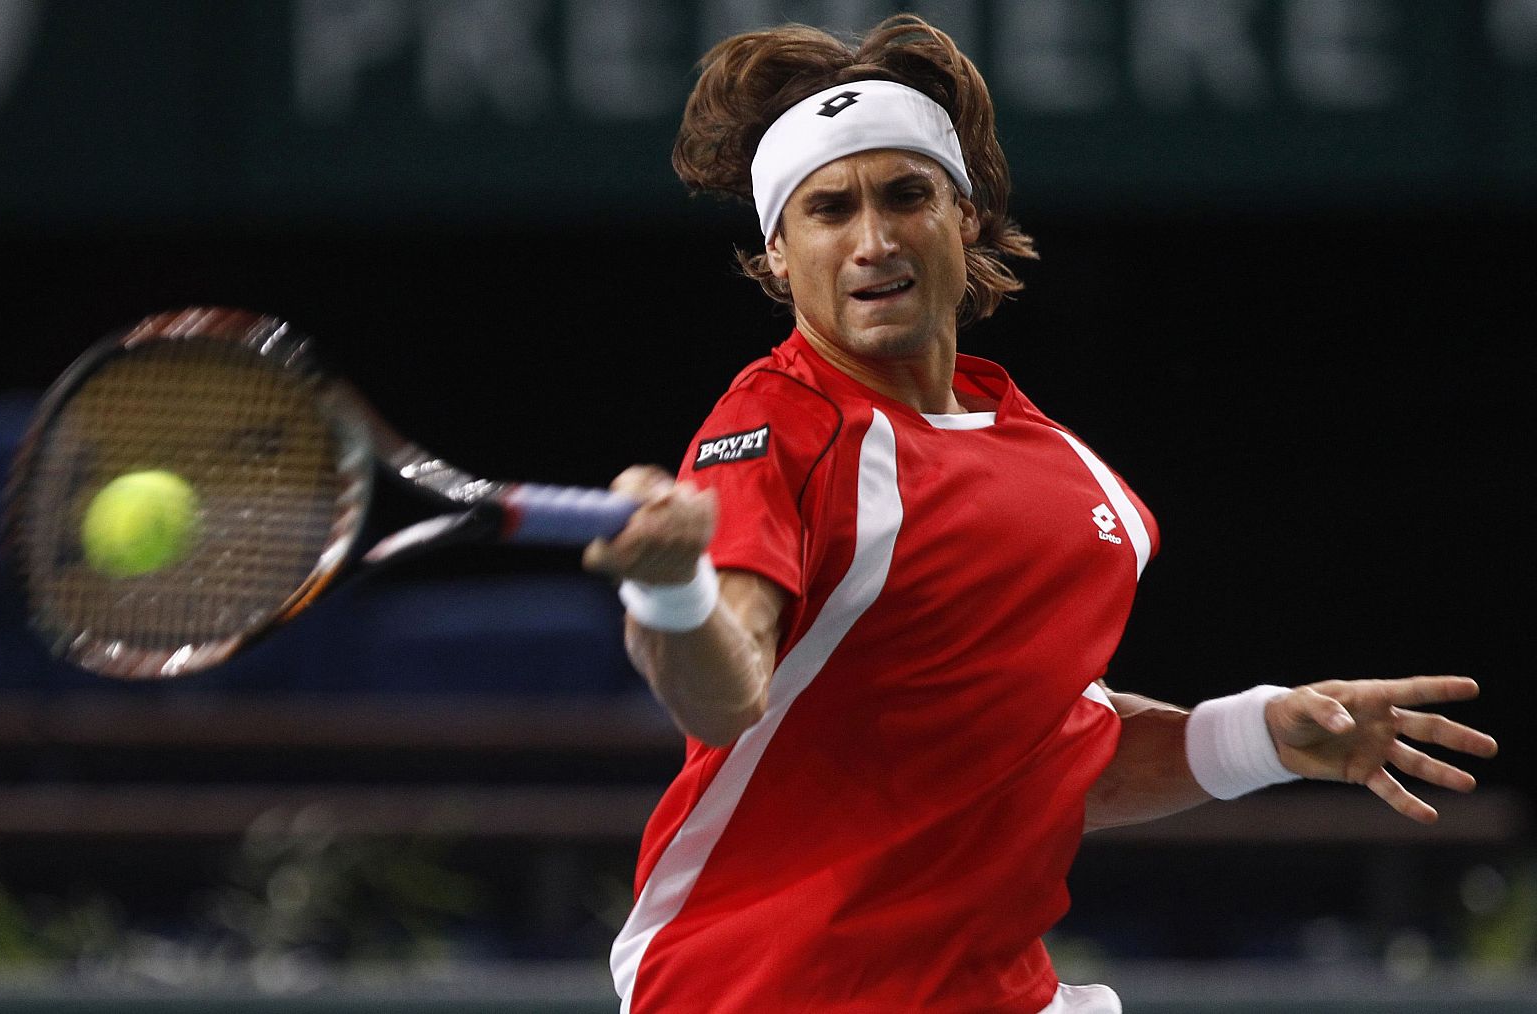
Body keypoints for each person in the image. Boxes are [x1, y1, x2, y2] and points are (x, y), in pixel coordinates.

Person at [581, 15, 1498, 1014]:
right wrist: (671, 591)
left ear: (964, 214)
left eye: (906, 196)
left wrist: (1263, 736)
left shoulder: (1077, 484)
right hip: (762, 991)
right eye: (829, 210)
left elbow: (1049, 763)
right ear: (777, 254)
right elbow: (723, 698)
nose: (873, 241)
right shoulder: (775, 424)